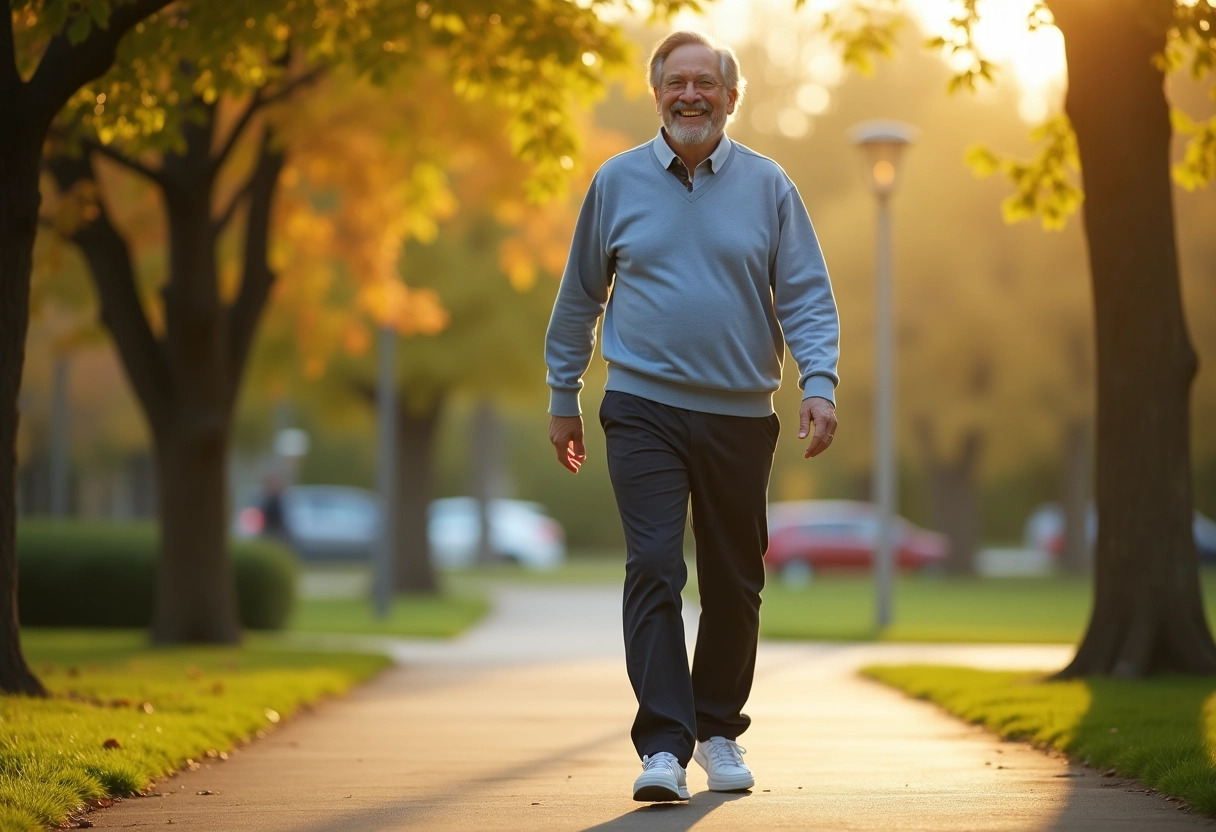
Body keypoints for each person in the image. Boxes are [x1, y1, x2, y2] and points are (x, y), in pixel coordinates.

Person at [544, 30, 840, 802]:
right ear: (657, 94)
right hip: (641, 407)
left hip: (740, 413)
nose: (690, 95)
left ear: (731, 98)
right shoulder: (614, 183)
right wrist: (562, 394)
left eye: (705, 83)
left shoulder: (770, 186)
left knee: (735, 579)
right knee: (653, 566)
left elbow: (805, 292)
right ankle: (664, 748)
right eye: (677, 82)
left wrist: (820, 382)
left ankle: (718, 732)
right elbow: (580, 298)